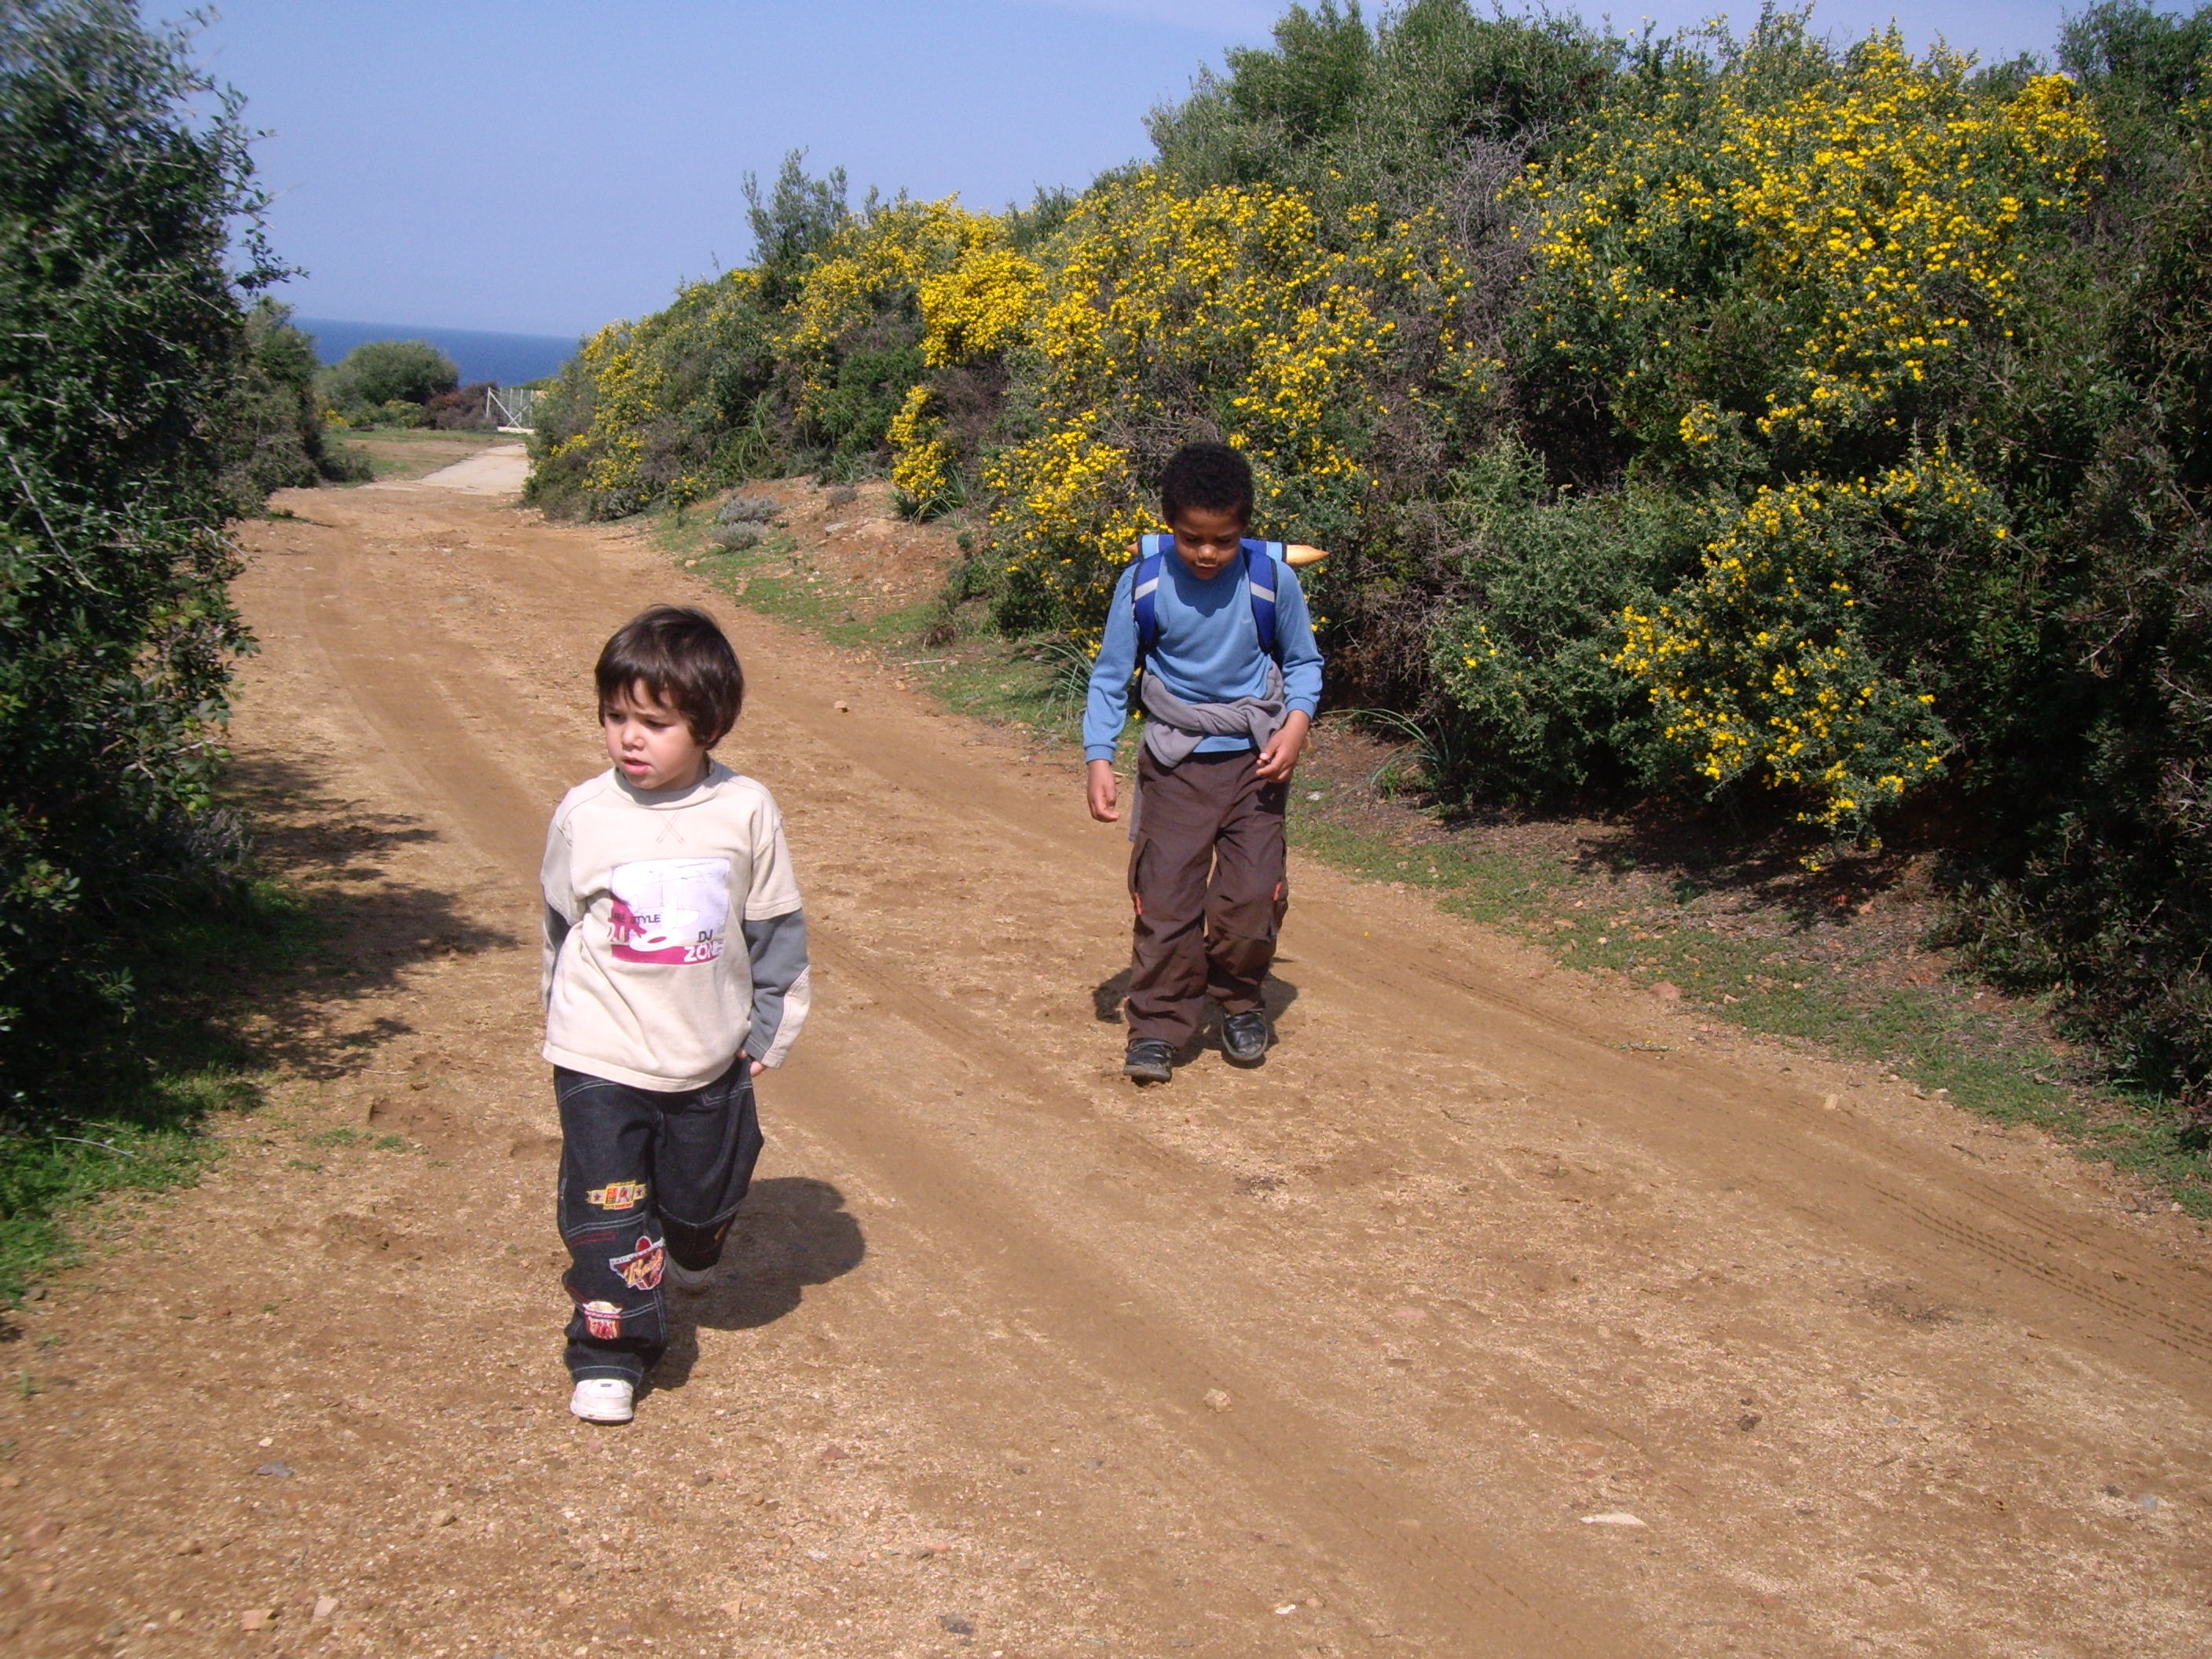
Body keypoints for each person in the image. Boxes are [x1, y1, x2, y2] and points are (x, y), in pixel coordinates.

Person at [540, 605, 810, 1423]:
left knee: (698, 1201)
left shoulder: (744, 810)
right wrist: (561, 1019)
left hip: (707, 1053)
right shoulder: (584, 814)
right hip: (601, 1051)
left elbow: (775, 930)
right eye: (616, 717)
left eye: (654, 723)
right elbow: (558, 926)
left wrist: (768, 1028)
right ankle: (609, 1352)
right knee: (608, 1209)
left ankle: (692, 1236)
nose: (629, 737)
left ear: (707, 725)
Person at [1082, 441, 1324, 1084]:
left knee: (1251, 901)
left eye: (1222, 539)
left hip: (1257, 764)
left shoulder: (1274, 582)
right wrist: (1099, 756)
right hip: (1174, 765)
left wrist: (1295, 727)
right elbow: (1111, 677)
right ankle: (1158, 1025)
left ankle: (1241, 1001)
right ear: (1170, 527)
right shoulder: (1145, 583)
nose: (1208, 553)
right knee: (1164, 904)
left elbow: (1303, 664)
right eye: (1192, 539)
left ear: (1244, 529)